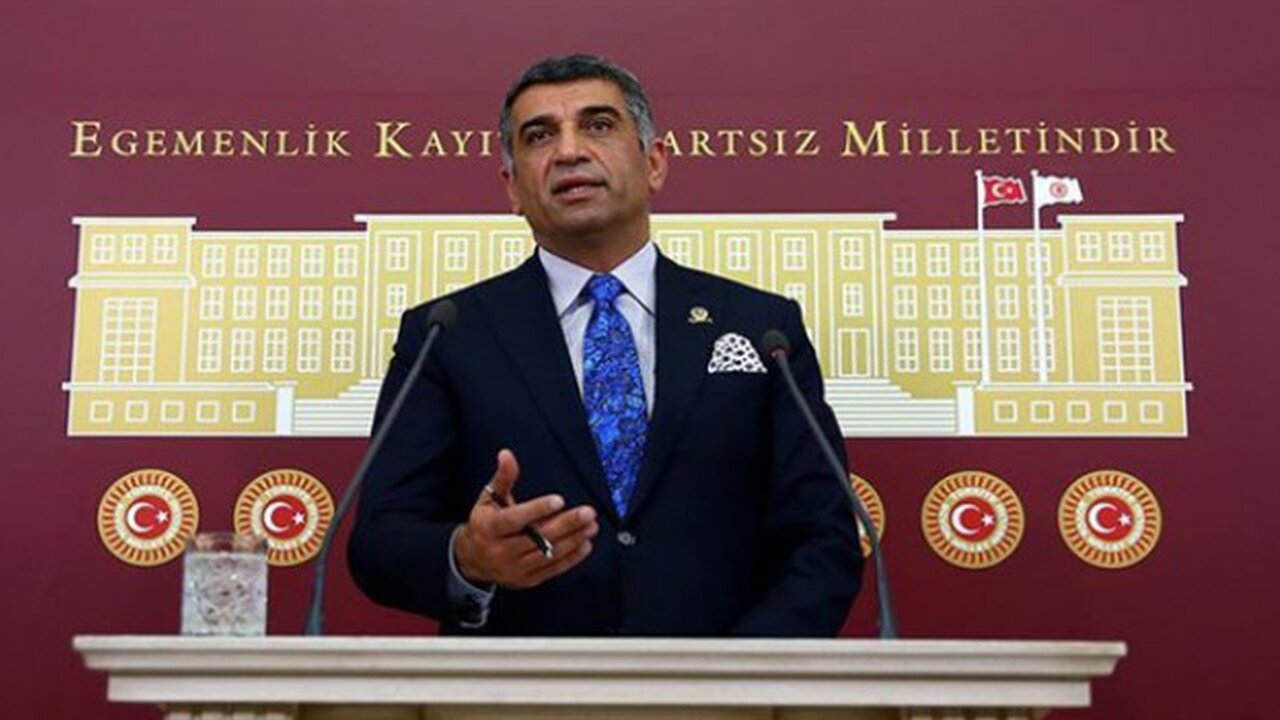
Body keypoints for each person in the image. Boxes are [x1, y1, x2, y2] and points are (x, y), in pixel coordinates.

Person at [348, 54, 862, 636]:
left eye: (597, 125)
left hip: (726, 680)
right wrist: (469, 556)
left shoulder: (761, 327)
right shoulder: (448, 333)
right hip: (517, 680)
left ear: (654, 164)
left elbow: (822, 537)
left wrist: (737, 673)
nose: (569, 151)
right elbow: (381, 541)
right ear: (512, 188)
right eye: (539, 136)